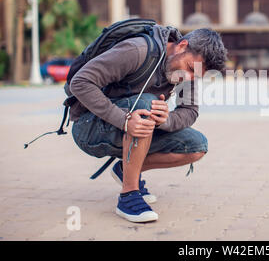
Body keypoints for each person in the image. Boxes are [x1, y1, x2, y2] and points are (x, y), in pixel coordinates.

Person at [68, 25, 227, 223]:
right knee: (146, 105)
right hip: (89, 127)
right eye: (189, 69)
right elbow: (80, 82)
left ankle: (126, 170)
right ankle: (128, 196)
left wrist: (166, 120)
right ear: (182, 46)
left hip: (133, 122)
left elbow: (190, 111)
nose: (189, 78)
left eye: (196, 76)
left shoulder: (189, 72)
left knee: (196, 146)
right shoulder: (137, 51)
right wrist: (125, 120)